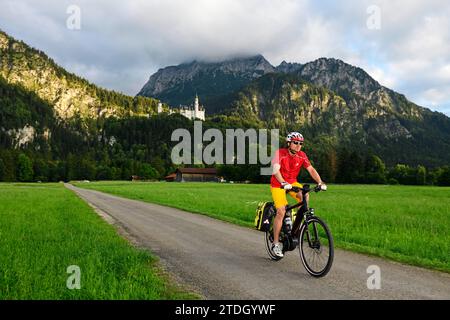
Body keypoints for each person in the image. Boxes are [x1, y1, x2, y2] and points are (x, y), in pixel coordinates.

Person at [270, 132, 327, 258]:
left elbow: (311, 169)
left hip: (292, 183)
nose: (298, 145)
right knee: (281, 210)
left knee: (305, 196)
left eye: (301, 143)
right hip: (278, 183)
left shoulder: (302, 156)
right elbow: (275, 169)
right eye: (295, 142)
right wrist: (283, 182)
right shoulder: (280, 153)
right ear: (289, 143)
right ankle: (275, 243)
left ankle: (296, 224)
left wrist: (319, 182)